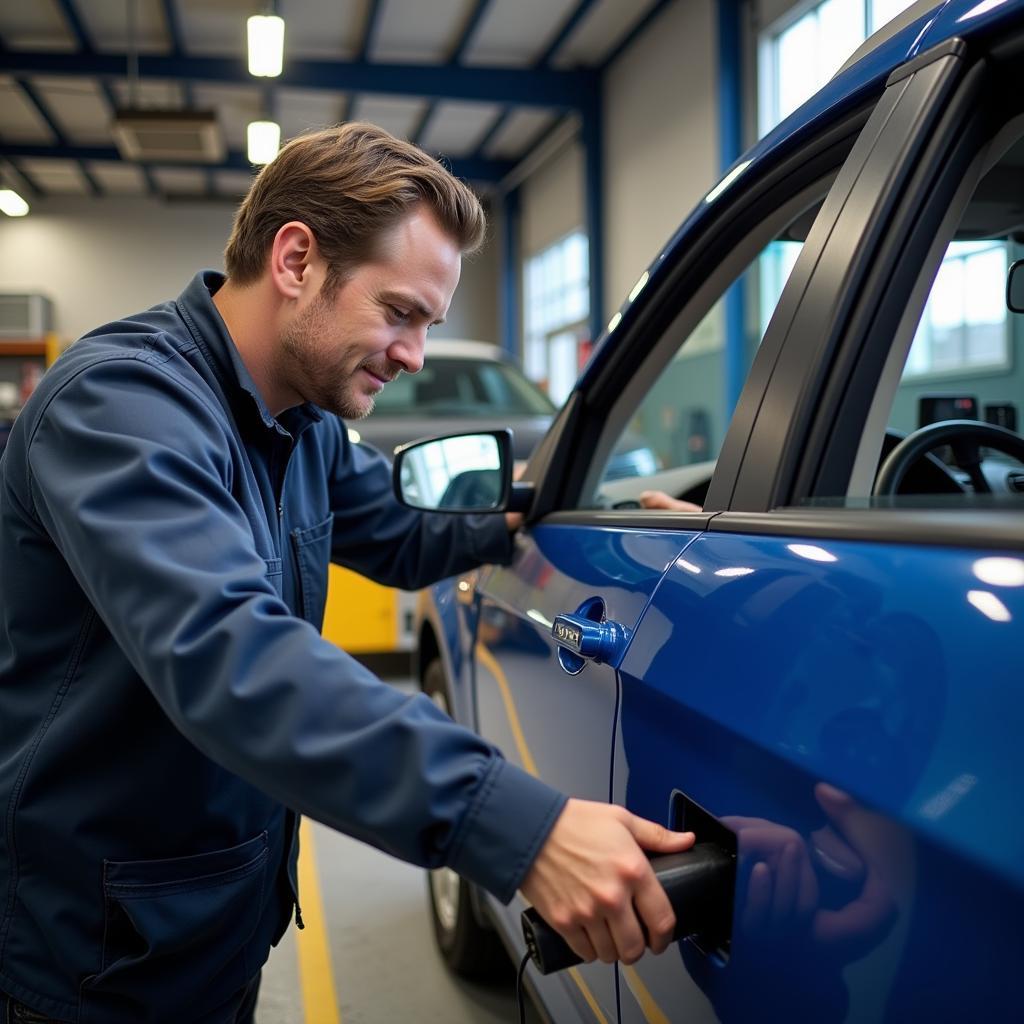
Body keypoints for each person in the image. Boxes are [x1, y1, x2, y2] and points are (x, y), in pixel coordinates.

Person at [0, 123, 694, 1023]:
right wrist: (519, 825)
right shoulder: (121, 407)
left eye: (427, 325)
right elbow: (232, 657)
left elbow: (408, 530)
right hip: (88, 960)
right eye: (399, 312)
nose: (412, 354)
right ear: (295, 260)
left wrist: (583, 506)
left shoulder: (305, 426)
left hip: (208, 923)